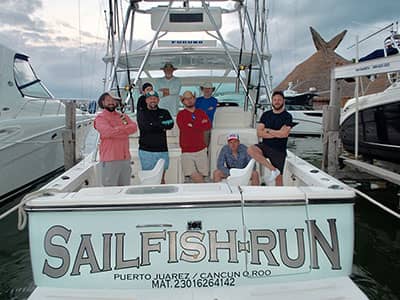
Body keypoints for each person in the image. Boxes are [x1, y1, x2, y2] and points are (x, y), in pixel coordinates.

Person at [247, 90, 293, 186]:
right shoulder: (266, 115)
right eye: (275, 100)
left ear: (283, 101)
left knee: (279, 180)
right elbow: (259, 133)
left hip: (279, 150)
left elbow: (284, 134)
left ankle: (280, 199)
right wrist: (277, 133)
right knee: (251, 149)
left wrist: (268, 130)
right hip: (265, 146)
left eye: (279, 100)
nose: (277, 102)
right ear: (272, 101)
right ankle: (273, 170)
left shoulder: (287, 116)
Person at [94, 91, 138, 186]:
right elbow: (107, 132)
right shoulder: (100, 118)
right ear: (102, 103)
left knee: (125, 188)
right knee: (110, 190)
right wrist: (125, 130)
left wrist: (116, 130)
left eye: (114, 100)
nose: (111, 102)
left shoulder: (122, 116)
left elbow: (134, 128)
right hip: (110, 159)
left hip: (125, 158)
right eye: (108, 100)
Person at [137, 90, 174, 184]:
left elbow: (170, 124)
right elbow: (145, 127)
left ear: (158, 100)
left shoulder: (164, 112)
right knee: (149, 179)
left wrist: (153, 124)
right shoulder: (142, 113)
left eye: (154, 98)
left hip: (162, 151)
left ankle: (162, 198)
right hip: (146, 152)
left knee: (161, 179)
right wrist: (161, 125)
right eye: (150, 98)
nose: (152, 100)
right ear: (146, 100)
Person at [176, 90, 212, 183]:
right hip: (187, 151)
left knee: (205, 176)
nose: (189, 101)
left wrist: (192, 124)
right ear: (183, 101)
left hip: (201, 149)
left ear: (194, 99)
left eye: (190, 98)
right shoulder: (180, 115)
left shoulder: (201, 112)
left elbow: (208, 126)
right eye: (186, 99)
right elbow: (185, 128)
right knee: (192, 176)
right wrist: (200, 124)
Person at [195, 82, 218, 146]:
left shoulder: (214, 100)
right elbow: (194, 112)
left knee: (205, 145)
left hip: (207, 126)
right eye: (205, 88)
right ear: (202, 89)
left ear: (212, 90)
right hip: (196, 126)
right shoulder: (197, 100)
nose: (207, 90)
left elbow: (210, 112)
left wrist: (200, 112)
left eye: (209, 88)